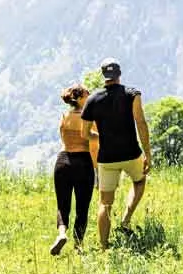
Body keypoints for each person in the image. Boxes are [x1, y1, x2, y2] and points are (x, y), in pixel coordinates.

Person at [79, 58, 151, 250]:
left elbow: (84, 134)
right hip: (131, 154)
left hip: (106, 158)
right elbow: (141, 124)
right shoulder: (132, 94)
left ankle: (103, 247)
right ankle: (126, 220)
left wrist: (101, 136)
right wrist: (148, 154)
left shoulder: (92, 99)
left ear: (104, 76)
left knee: (105, 203)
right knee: (139, 181)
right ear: (119, 74)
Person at [51, 85, 97, 255]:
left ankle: (62, 233)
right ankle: (78, 246)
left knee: (63, 205)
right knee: (82, 207)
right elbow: (93, 145)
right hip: (83, 162)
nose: (90, 95)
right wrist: (97, 169)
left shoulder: (64, 117)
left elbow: (63, 138)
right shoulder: (89, 119)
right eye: (87, 93)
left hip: (62, 162)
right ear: (80, 98)